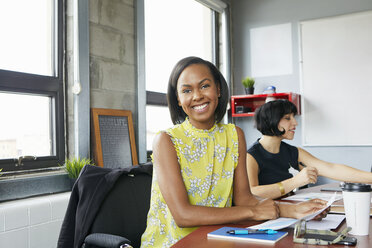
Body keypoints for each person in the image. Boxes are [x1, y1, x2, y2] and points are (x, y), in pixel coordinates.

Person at [140, 57, 327, 247]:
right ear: (178, 100)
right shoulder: (166, 140)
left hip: (219, 235)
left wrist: (295, 210)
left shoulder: (234, 135)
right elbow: (183, 215)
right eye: (187, 90)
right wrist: (253, 212)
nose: (197, 96)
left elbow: (244, 198)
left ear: (219, 89)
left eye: (204, 86)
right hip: (174, 242)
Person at [246, 99, 372, 199]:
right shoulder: (251, 156)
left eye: (293, 117)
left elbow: (330, 168)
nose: (295, 123)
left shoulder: (292, 152)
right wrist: (295, 182)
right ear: (272, 120)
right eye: (288, 118)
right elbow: (252, 192)